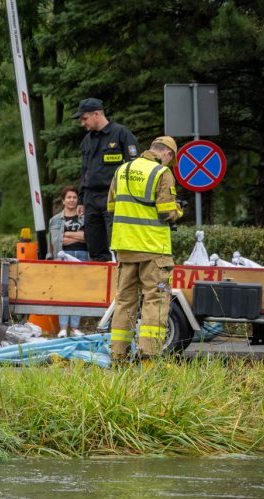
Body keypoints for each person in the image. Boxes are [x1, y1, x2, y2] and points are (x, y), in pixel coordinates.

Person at [106, 136, 183, 361]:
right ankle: (149, 357)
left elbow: (111, 206)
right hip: (153, 249)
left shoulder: (122, 170)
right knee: (155, 299)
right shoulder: (162, 173)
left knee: (124, 301)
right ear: (167, 154)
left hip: (125, 247)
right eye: (171, 159)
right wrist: (179, 210)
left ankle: (118, 356)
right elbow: (167, 211)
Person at [74, 97, 139, 262]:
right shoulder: (87, 140)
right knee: (94, 246)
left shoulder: (121, 134)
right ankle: (100, 285)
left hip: (114, 197)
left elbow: (135, 166)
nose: (83, 123)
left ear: (96, 114)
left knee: (118, 245)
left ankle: (124, 285)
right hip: (90, 199)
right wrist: (81, 200)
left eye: (84, 118)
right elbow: (85, 171)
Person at [48, 186, 88, 336]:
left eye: (74, 197)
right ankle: (63, 328)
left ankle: (75, 327)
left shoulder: (84, 217)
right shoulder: (55, 220)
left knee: (78, 290)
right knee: (64, 290)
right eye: (69, 197)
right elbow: (56, 240)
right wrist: (77, 235)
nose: (72, 200)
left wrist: (68, 236)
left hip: (82, 255)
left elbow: (87, 237)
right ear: (63, 200)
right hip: (63, 255)